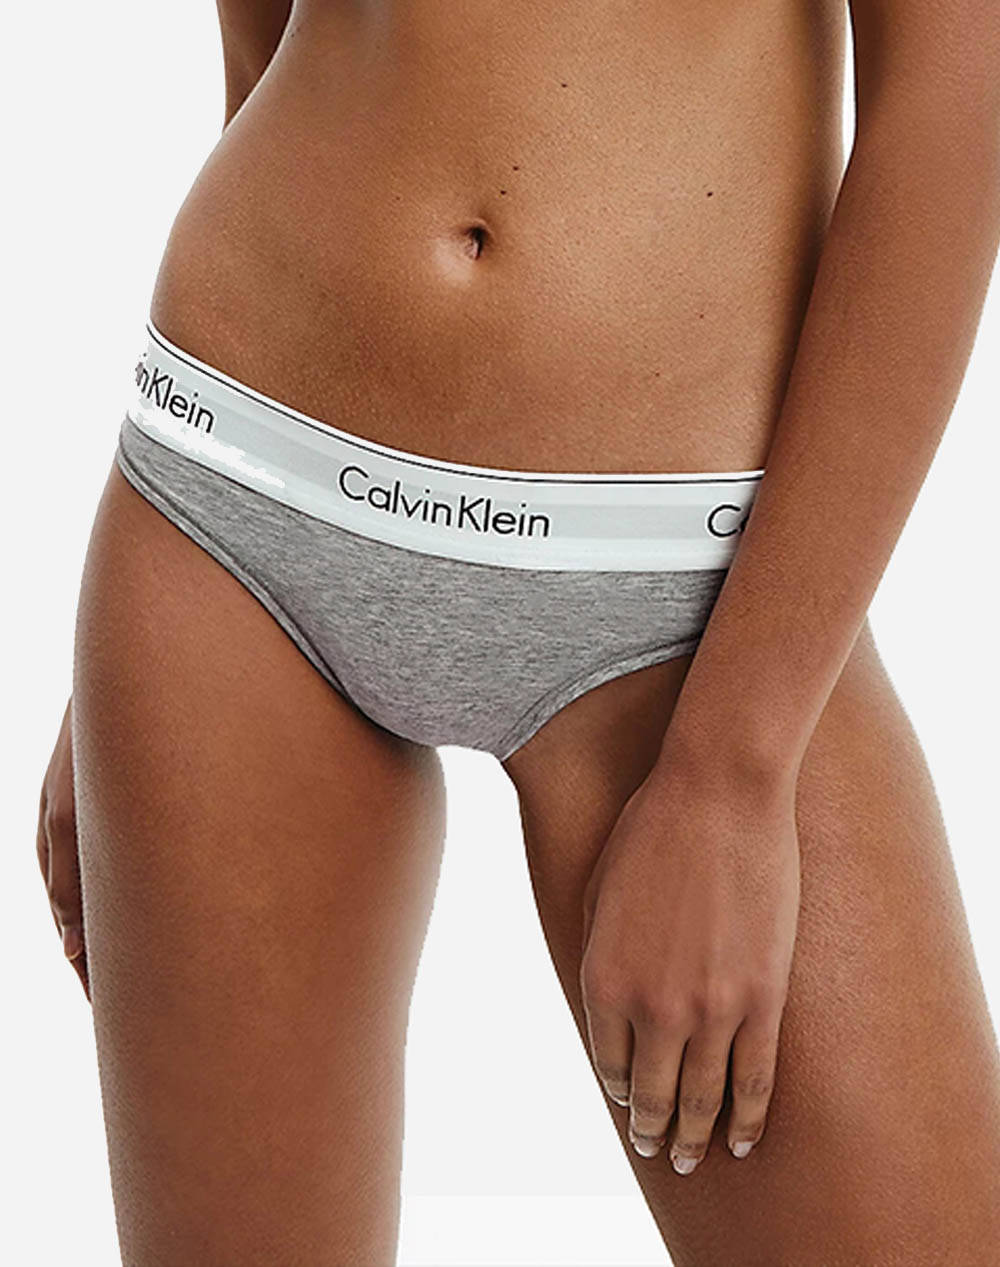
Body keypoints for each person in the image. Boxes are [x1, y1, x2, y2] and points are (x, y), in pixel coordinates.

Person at [36, 1, 1000, 1263]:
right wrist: (127, 673)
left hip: (677, 588)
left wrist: (733, 766)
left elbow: (952, 116)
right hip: (234, 498)